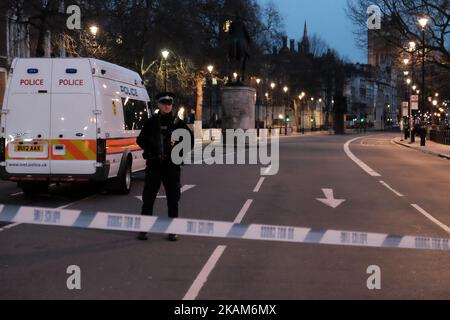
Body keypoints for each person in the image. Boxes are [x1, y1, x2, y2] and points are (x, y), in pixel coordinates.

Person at [136, 92, 193, 241]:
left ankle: (173, 230)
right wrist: (150, 148)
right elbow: (140, 139)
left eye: (170, 103)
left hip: (171, 167)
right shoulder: (152, 122)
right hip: (154, 165)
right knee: (148, 198)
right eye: (164, 103)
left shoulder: (178, 123)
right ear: (159, 105)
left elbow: (189, 141)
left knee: (173, 199)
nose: (167, 106)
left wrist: (178, 153)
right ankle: (144, 229)